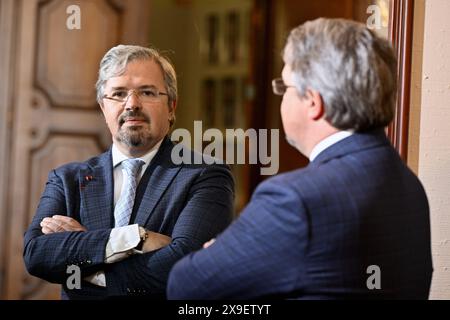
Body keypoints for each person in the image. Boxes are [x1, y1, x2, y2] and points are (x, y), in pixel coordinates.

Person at [167, 18, 433, 299]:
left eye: (284, 87)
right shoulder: (407, 183)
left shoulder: (294, 199)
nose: (281, 97)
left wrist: (219, 252)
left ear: (313, 103)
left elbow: (185, 287)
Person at [23, 45, 234, 299]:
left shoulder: (205, 176)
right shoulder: (67, 179)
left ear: (171, 108)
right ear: (103, 107)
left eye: (146, 92)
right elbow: (36, 254)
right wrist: (135, 238)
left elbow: (184, 264)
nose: (132, 104)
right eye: (119, 94)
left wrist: (88, 266)